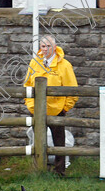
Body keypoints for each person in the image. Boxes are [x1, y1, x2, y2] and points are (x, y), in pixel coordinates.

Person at [24, 35, 77, 176]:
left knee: (59, 142)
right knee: (38, 142)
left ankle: (59, 171)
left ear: (54, 47)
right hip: (37, 111)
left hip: (57, 111)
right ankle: (40, 170)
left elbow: (73, 89)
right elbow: (27, 85)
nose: (46, 49)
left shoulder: (65, 65)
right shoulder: (34, 63)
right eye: (43, 46)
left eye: (49, 46)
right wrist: (31, 106)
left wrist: (65, 107)